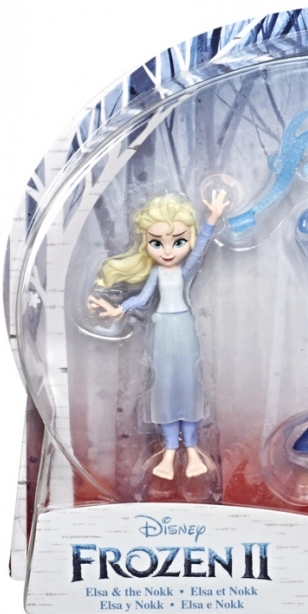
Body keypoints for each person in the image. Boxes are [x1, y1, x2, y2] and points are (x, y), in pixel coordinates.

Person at [88, 190, 229, 480]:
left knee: (188, 386)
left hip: (184, 329)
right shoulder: (156, 273)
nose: (167, 250)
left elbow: (200, 251)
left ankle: (192, 451)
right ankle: (169, 452)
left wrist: (212, 219)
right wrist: (118, 309)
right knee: (164, 388)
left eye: (177, 241)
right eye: (156, 243)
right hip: (162, 329)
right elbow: (141, 299)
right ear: (146, 242)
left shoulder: (183, 270)